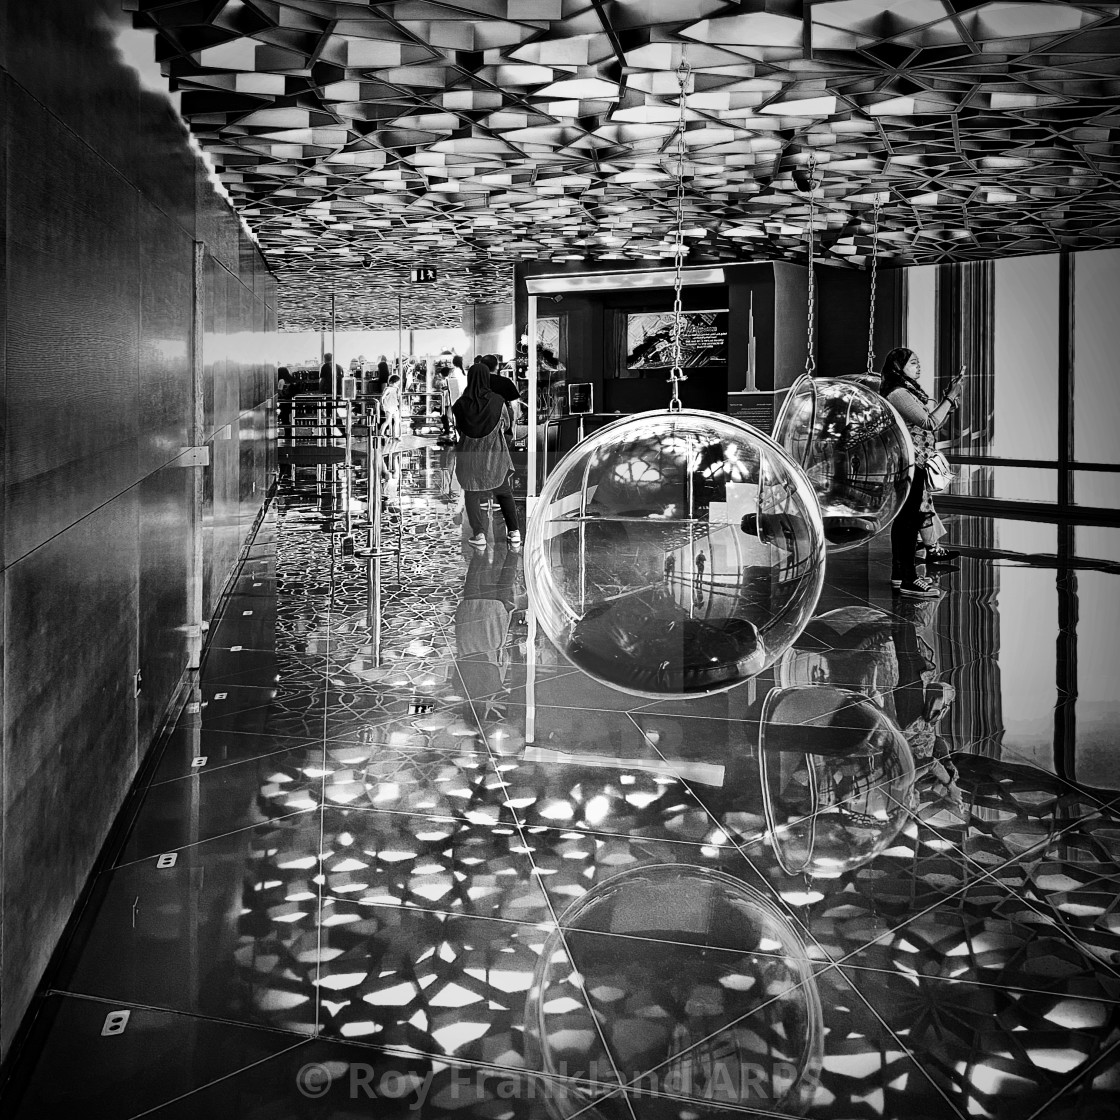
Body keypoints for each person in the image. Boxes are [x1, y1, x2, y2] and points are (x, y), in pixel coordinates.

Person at [880, 347, 963, 599]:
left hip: (916, 462)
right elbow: (928, 422)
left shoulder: (910, 392)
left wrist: (948, 404)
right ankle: (908, 579)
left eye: (918, 362)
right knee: (907, 522)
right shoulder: (898, 393)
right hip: (908, 463)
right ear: (898, 367)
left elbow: (931, 424)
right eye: (913, 363)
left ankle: (900, 575)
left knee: (909, 519)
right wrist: (949, 397)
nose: (919, 366)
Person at [453, 362, 521, 548]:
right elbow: (506, 425)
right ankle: (514, 533)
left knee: (472, 493)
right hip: (495, 453)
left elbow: (459, 429)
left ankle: (480, 535)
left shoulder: (459, 404)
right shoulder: (498, 401)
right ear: (486, 378)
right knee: (504, 492)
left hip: (470, 455)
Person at [379, 373, 402, 442]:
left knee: (397, 421)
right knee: (388, 420)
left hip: (394, 406)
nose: (396, 384)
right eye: (396, 383)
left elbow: (398, 398)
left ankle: (395, 435)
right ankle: (381, 433)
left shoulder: (396, 389)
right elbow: (382, 397)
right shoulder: (388, 389)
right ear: (392, 382)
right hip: (389, 407)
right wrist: (382, 405)